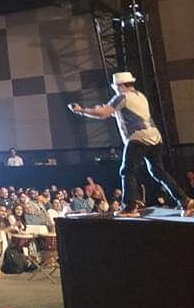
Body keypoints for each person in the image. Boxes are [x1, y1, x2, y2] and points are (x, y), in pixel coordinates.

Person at [70, 71, 194, 217]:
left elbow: (103, 113)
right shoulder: (140, 95)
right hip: (155, 137)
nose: (115, 89)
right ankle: (185, 200)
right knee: (158, 171)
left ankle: (130, 207)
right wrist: (108, 110)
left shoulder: (122, 97)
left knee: (127, 171)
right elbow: (128, 114)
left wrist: (81, 110)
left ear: (121, 86)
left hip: (138, 138)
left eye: (116, 87)